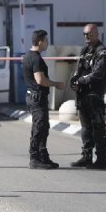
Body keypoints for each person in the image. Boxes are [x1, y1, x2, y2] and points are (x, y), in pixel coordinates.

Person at [22, 30, 64, 169]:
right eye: (45, 40)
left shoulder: (28, 55)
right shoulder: (35, 58)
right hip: (37, 98)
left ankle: (43, 156)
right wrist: (56, 84)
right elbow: (40, 80)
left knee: (43, 127)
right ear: (40, 41)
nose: (47, 43)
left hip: (33, 97)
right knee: (39, 127)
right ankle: (34, 158)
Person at [70, 23, 106, 169]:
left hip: (94, 96)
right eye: (84, 34)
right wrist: (74, 80)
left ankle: (101, 159)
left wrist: (81, 80)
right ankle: (86, 157)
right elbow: (79, 70)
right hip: (83, 96)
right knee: (85, 129)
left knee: (98, 128)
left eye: (89, 34)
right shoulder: (85, 50)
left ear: (96, 34)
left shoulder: (102, 52)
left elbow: (98, 74)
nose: (86, 37)